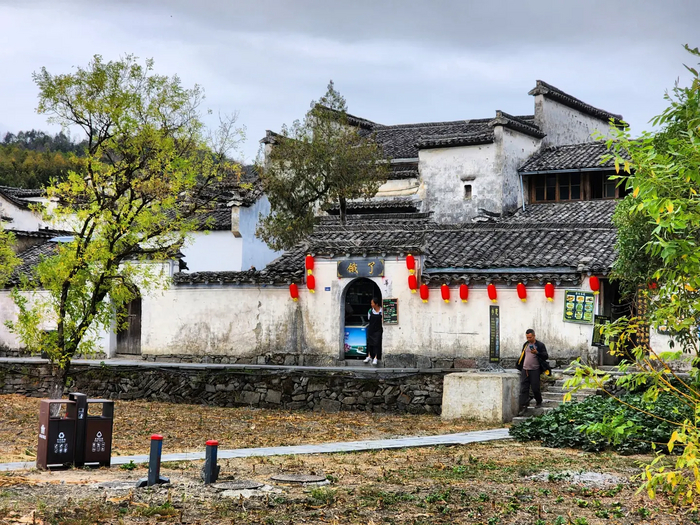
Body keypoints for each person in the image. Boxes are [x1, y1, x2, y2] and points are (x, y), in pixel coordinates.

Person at [516, 328, 549, 415]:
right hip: (525, 369)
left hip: (535, 369)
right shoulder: (526, 344)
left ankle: (539, 401)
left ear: (534, 336)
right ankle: (523, 406)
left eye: (530, 337)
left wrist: (537, 352)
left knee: (535, 388)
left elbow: (545, 356)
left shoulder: (540, 345)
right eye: (527, 337)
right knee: (524, 388)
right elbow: (523, 356)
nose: (528, 339)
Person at [363, 297, 383, 366]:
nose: (371, 304)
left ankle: (376, 357)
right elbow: (369, 318)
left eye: (372, 303)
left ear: (376, 304)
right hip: (371, 329)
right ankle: (369, 356)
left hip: (378, 330)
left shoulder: (382, 311)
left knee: (377, 343)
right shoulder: (370, 311)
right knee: (370, 343)